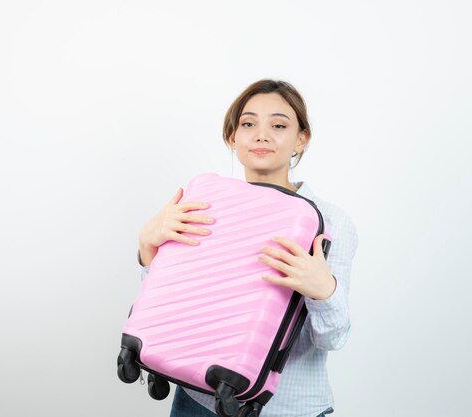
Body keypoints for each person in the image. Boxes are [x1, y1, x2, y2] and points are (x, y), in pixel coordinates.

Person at [136, 79, 358, 417]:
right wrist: (147, 249)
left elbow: (330, 339)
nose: (261, 134)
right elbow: (171, 305)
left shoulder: (329, 222)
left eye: (279, 125)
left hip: (290, 409)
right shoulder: (204, 204)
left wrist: (322, 291)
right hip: (199, 399)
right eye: (248, 123)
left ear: (302, 139)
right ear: (232, 137)